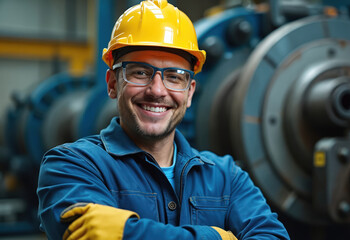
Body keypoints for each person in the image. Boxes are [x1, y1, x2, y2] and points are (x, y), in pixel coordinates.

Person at [37, 0, 290, 239]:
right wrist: (219, 236)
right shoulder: (71, 166)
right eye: (140, 72)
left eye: (174, 76)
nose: (157, 91)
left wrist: (128, 232)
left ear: (189, 92)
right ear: (113, 84)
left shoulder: (226, 176)